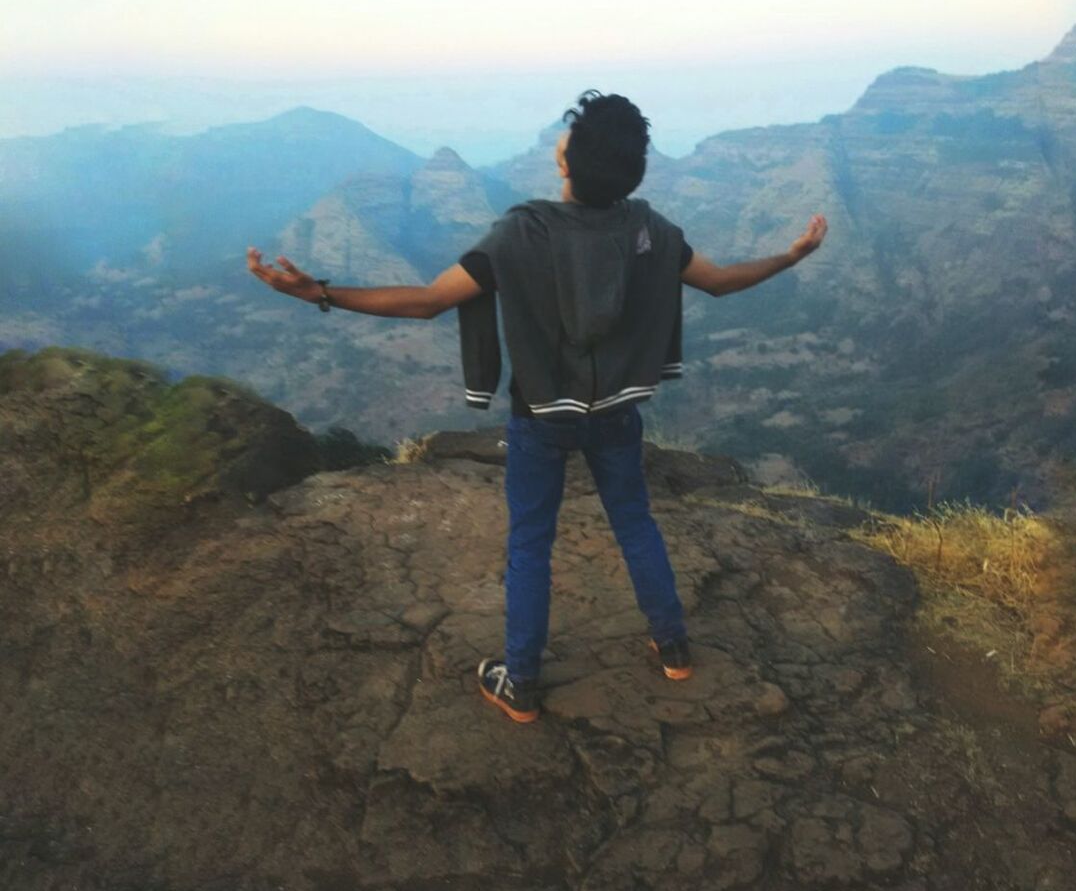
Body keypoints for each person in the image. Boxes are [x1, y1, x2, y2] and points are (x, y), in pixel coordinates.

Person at [248, 90, 827, 724]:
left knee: (530, 543)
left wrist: (322, 293)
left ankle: (519, 680)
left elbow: (428, 300)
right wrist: (790, 256)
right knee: (635, 523)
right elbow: (718, 282)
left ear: (568, 161)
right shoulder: (649, 230)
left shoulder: (524, 233)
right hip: (616, 411)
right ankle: (673, 646)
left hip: (542, 416)